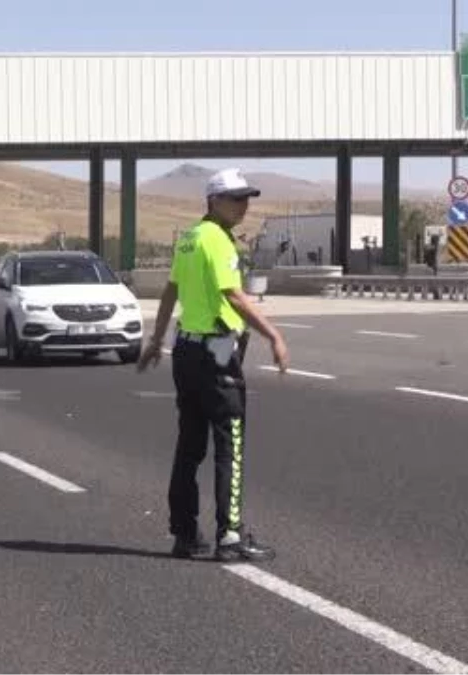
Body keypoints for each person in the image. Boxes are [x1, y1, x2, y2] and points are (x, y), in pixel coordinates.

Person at [137, 167, 290, 562]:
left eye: (247, 198)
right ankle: (230, 535)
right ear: (214, 201)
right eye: (236, 198)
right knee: (230, 443)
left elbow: (171, 290)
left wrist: (157, 340)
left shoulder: (188, 239)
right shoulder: (219, 242)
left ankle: (185, 533)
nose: (244, 206)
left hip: (186, 349)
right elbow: (235, 297)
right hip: (217, 349)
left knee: (189, 446)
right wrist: (274, 334)